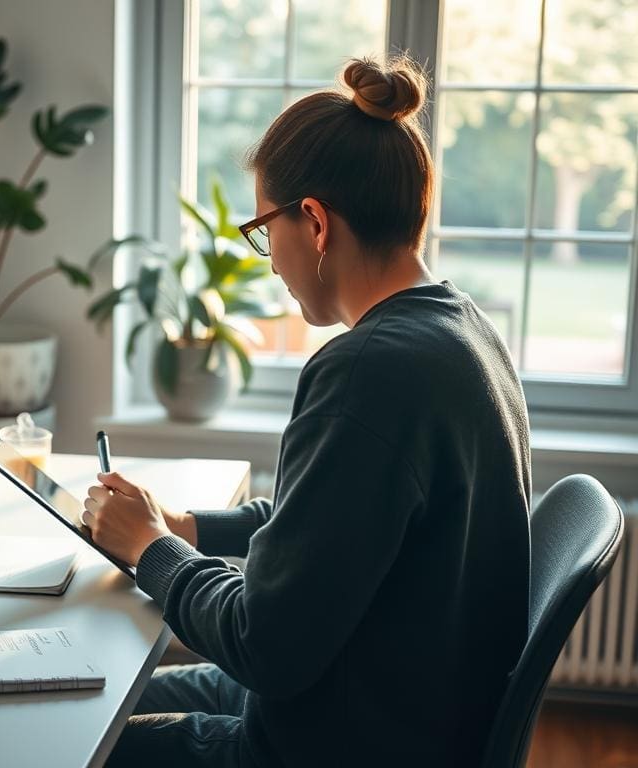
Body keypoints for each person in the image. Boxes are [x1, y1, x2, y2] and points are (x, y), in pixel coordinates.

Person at [82, 56, 531, 768]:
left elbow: (266, 645)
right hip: (389, 708)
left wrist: (150, 550)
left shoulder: (367, 372)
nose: (270, 262)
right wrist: (187, 528)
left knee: (72, 743)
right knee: (94, 698)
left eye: (265, 230)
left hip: (334, 741)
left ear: (315, 223)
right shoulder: (461, 329)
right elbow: (327, 521)